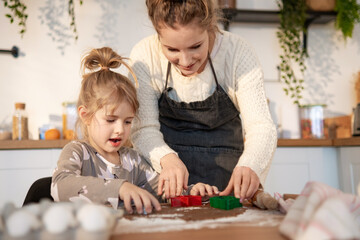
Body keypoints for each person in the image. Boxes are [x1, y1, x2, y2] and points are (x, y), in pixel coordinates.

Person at [128, 0, 277, 203]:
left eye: (195, 46)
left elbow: (261, 126)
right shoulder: (144, 56)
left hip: (227, 187)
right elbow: (143, 128)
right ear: (158, 34)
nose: (186, 61)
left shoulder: (237, 53)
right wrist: (167, 160)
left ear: (210, 26)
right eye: (172, 49)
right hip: (170, 188)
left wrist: (251, 164)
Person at [51, 47, 219, 215]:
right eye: (110, 120)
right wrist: (119, 188)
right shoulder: (77, 152)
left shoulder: (133, 161)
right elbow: (60, 186)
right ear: (85, 116)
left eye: (128, 121)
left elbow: (164, 193)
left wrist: (192, 192)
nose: (120, 130)